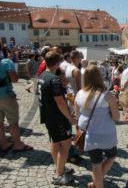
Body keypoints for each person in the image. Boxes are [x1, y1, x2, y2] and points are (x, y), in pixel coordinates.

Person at [75, 65, 119, 188]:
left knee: (96, 166)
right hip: (107, 135)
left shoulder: (79, 94)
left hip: (89, 136)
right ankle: (97, 180)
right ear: (99, 77)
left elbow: (78, 116)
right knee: (112, 155)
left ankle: (96, 181)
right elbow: (116, 117)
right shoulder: (107, 95)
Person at [38, 51, 76, 185]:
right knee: (65, 145)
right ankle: (58, 175)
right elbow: (60, 102)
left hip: (48, 116)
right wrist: (71, 118)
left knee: (55, 142)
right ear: (58, 63)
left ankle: (59, 167)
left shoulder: (43, 75)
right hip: (58, 117)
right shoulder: (53, 79)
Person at [0, 43, 33, 153]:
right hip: (6, 96)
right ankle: (18, 144)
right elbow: (14, 79)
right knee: (13, 122)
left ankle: (4, 143)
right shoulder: (6, 62)